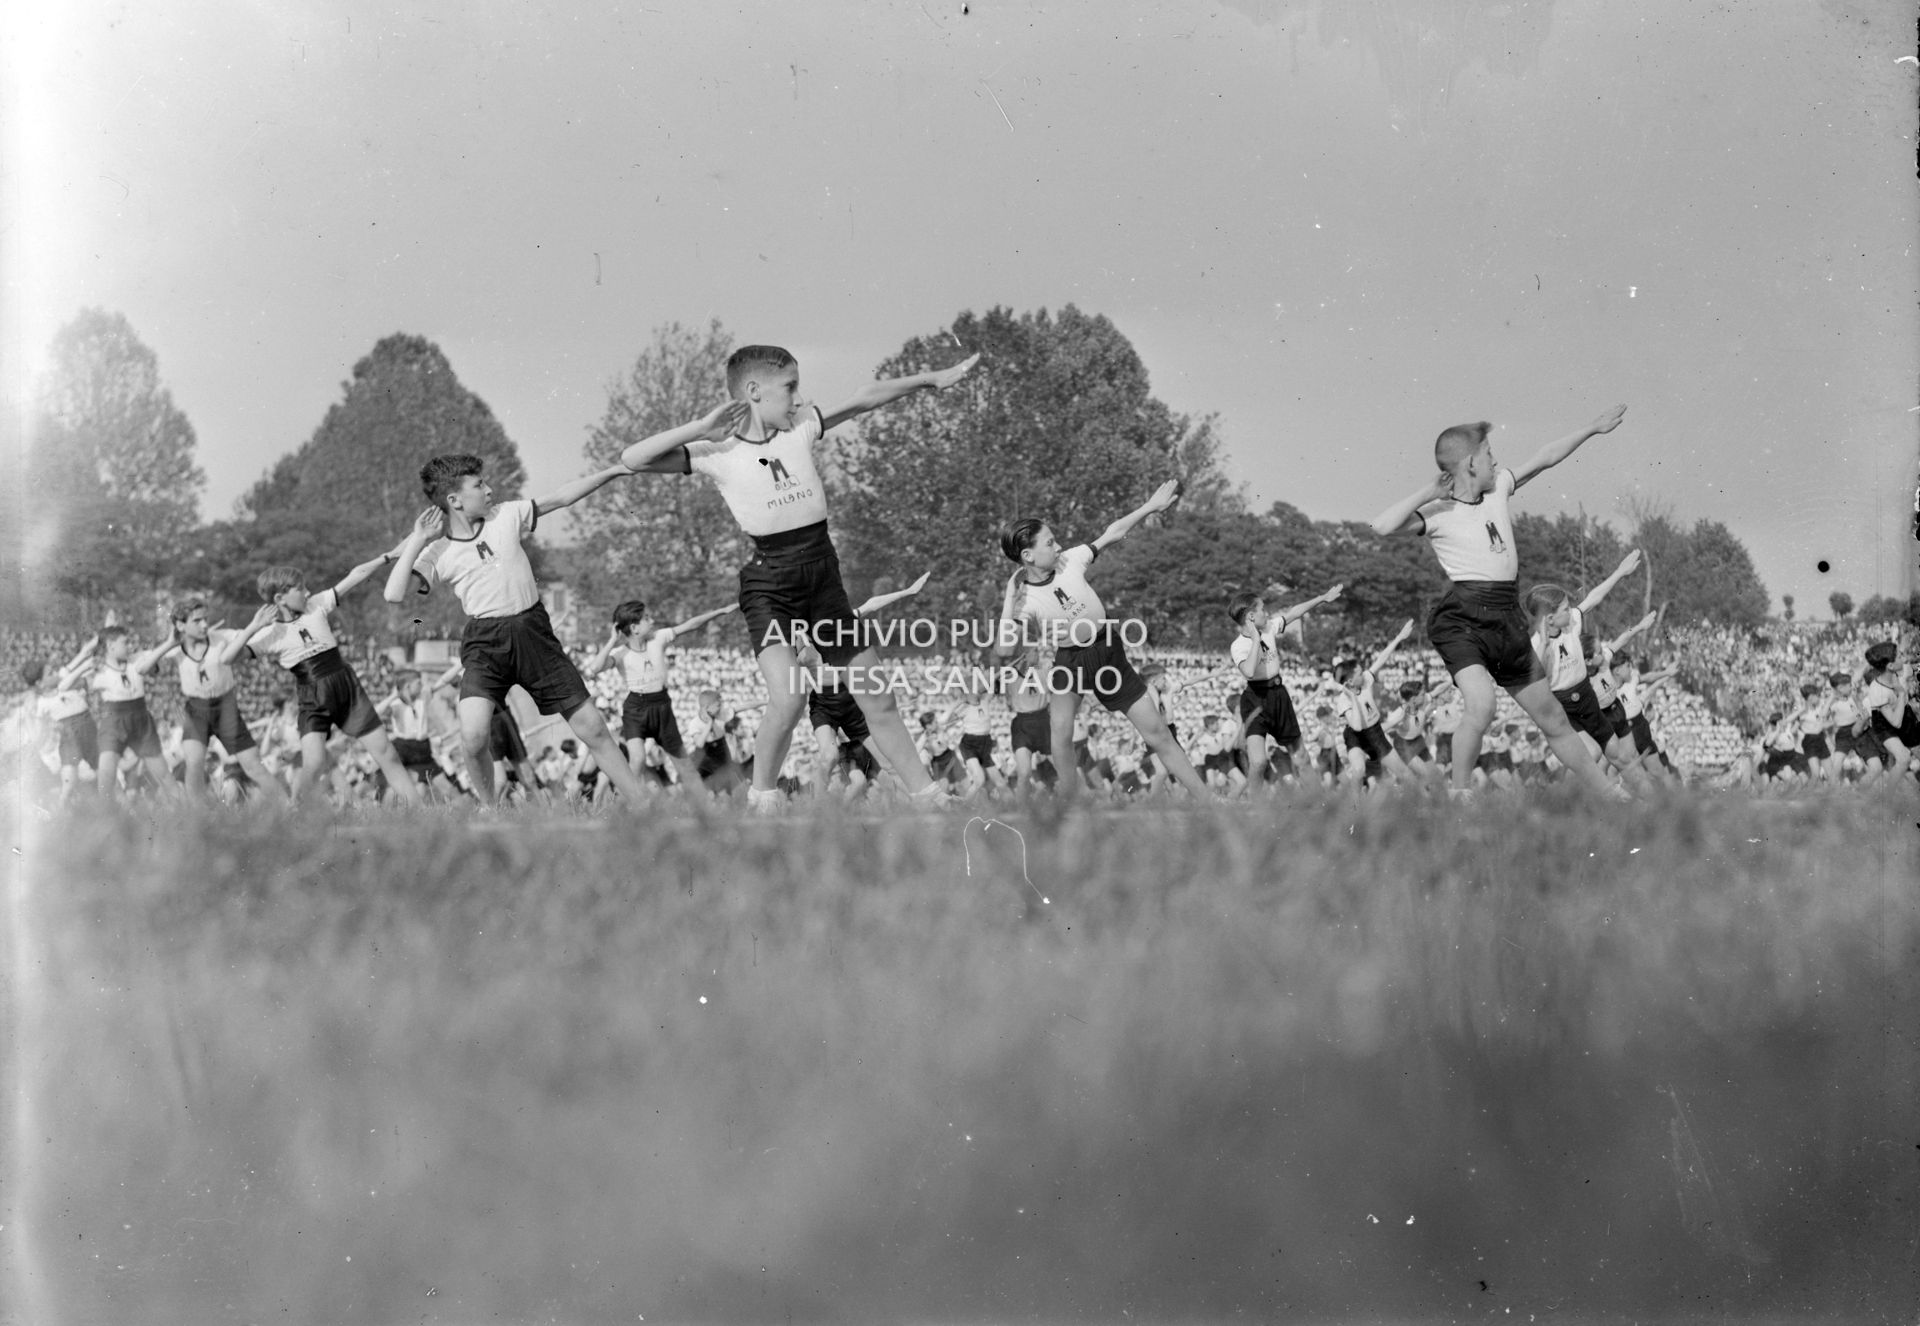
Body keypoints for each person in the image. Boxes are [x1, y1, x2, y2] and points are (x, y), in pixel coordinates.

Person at [619, 345, 980, 811]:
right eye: (789, 387)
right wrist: (701, 427)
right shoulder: (717, 450)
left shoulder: (802, 425)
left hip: (824, 581)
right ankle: (763, 795)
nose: (797, 396)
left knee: (879, 696)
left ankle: (928, 795)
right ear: (753, 391)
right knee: (788, 699)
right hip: (771, 586)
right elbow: (634, 458)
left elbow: (866, 397)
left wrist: (934, 378)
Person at [1369, 406, 1631, 799]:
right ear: (1471, 463)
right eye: (1489, 455)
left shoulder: (1497, 491)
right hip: (1463, 620)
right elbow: (1382, 526)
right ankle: (1461, 797)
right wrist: (1430, 490)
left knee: (1553, 718)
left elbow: (1544, 458)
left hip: (1506, 619)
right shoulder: (1439, 512)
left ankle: (1610, 795)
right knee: (1482, 705)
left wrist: (1592, 429)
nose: (1497, 462)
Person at [386, 454, 648, 807]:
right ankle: (489, 809)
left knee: (592, 727)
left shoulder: (506, 515)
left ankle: (644, 805)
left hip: (533, 631)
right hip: (485, 642)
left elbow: (562, 497)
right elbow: (394, 593)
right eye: (479, 485)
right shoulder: (437, 551)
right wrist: (418, 539)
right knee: (473, 735)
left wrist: (614, 470)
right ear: (454, 500)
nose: (489, 489)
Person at [994, 480, 1210, 800]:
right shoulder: (1025, 601)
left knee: (1158, 733)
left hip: (1109, 650)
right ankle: (1071, 805)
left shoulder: (1070, 560)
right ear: (1028, 555)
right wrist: (1009, 599)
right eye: (1050, 542)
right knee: (1061, 733)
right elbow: (1004, 648)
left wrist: (1150, 507)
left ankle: (1209, 800)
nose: (1057, 546)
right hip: (1072, 661)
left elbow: (1113, 532)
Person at [224, 555, 422, 805]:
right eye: (300, 589)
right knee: (314, 764)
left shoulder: (316, 605)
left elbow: (357, 573)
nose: (307, 592)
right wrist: (252, 628)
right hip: (312, 696)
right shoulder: (269, 634)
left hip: (346, 688)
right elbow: (227, 658)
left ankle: (421, 809)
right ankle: (296, 809)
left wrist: (390, 556)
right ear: (279, 598)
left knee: (386, 753)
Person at [582, 597, 738, 791]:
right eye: (647, 618)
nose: (652, 621)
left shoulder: (659, 638)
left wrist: (720, 611)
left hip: (662, 707)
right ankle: (626, 804)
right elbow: (595, 668)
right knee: (637, 759)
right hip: (635, 708)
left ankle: (702, 806)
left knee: (684, 765)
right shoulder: (620, 653)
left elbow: (691, 625)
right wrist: (613, 639)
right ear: (634, 627)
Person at [1525, 548, 1649, 786]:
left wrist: (1620, 573)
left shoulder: (1571, 623)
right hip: (1562, 706)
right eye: (1564, 609)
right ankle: (1564, 802)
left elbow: (1593, 598)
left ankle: (1650, 800)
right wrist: (1543, 644)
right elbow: (1535, 681)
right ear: (1549, 619)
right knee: (1590, 754)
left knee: (1617, 754)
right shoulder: (1535, 645)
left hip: (1586, 697)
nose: (1570, 611)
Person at [159, 600, 287, 801]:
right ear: (181, 625)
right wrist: (169, 643)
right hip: (196, 708)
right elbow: (142, 667)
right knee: (194, 764)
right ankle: (199, 817)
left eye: (206, 619)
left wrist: (256, 625)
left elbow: (249, 636)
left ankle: (288, 807)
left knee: (253, 766)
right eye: (197, 620)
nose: (204, 625)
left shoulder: (221, 638)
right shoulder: (176, 649)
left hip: (225, 707)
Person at [1226, 581, 1344, 789]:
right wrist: (1255, 639)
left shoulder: (1270, 627)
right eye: (1262, 609)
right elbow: (1249, 671)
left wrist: (1321, 598)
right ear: (1251, 617)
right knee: (1258, 762)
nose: (1267, 613)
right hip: (1254, 699)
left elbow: (1293, 613)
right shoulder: (1238, 646)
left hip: (1278, 696)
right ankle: (1257, 807)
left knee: (1301, 757)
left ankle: (1319, 802)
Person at [89, 620, 182, 802]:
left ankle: (188, 815)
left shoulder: (137, 659)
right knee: (106, 778)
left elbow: (165, 652)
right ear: (110, 646)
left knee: (163, 774)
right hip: (114, 721)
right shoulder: (99, 671)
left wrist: (173, 641)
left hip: (140, 719)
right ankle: (105, 821)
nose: (130, 646)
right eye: (125, 642)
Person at [1332, 621, 1417, 787]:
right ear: (1350, 680)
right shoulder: (1343, 700)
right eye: (1358, 672)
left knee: (1406, 774)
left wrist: (1399, 637)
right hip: (1356, 737)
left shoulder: (1365, 680)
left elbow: (1382, 658)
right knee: (1358, 771)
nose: (1363, 672)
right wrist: (1354, 698)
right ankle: (1355, 808)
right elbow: (1356, 727)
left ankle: (1424, 805)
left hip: (1376, 734)